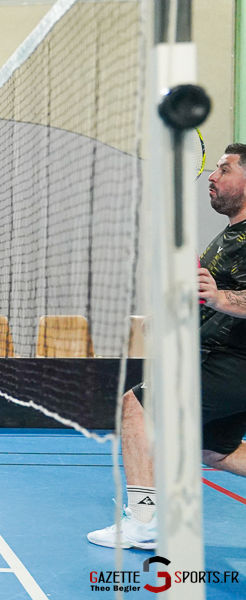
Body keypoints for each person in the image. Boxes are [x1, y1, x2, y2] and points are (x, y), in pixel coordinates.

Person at [87, 145, 246, 550]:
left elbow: (225, 297)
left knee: (137, 408)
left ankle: (144, 520)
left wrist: (222, 299)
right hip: (218, 357)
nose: (212, 177)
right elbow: (206, 295)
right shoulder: (227, 238)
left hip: (233, 362)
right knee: (215, 450)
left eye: (224, 170)